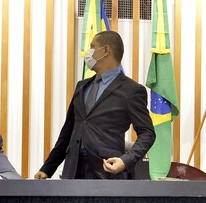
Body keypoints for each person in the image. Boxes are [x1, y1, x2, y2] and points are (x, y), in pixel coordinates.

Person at [35, 31, 155, 179]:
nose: (88, 52)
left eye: (92, 47)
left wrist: (126, 160)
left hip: (107, 173)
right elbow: (68, 132)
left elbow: (148, 133)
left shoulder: (131, 90)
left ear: (106, 50)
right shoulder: (81, 87)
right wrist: (48, 168)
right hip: (72, 172)